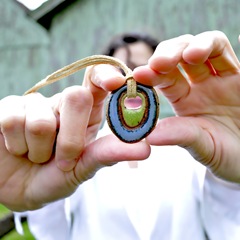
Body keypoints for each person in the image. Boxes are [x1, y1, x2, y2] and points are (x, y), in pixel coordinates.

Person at [0, 30, 238, 239]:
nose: (130, 78)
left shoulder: (193, 152)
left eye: (139, 67)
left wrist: (234, 177)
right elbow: (52, 231)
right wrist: (35, 183)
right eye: (121, 68)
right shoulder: (73, 151)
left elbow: (225, 218)